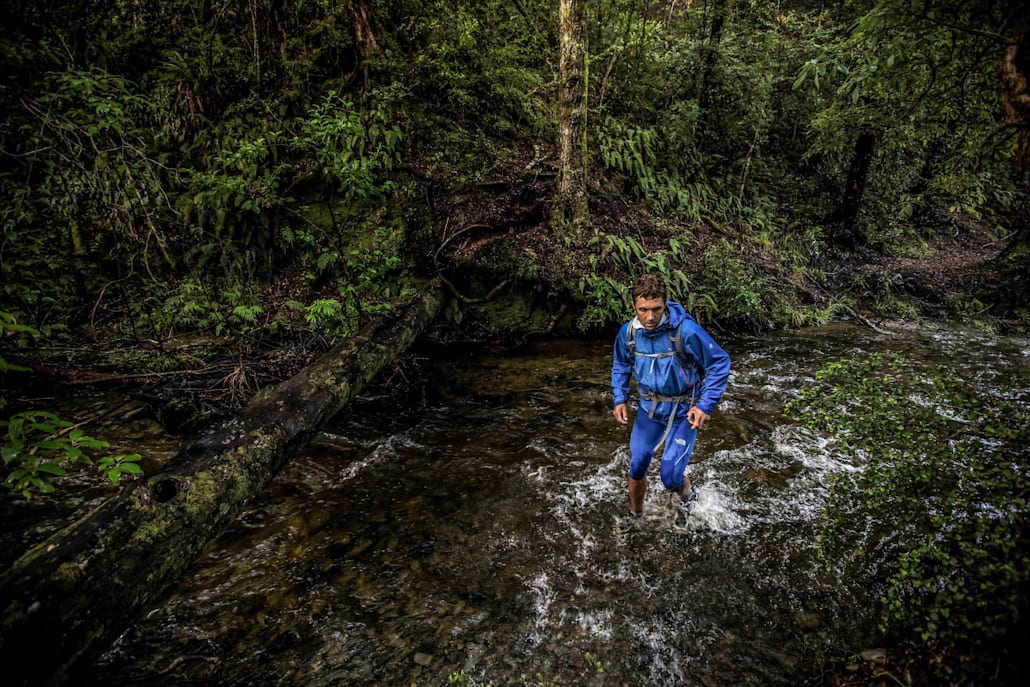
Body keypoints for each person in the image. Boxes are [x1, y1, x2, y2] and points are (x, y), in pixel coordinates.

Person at [611, 274, 731, 519]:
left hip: (684, 410)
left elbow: (719, 362)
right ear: (633, 306)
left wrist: (705, 406)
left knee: (670, 477)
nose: (650, 317)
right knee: (637, 464)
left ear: (664, 303)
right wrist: (619, 398)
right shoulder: (629, 334)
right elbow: (621, 364)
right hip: (649, 411)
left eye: (656, 309)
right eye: (643, 310)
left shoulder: (686, 331)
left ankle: (690, 499)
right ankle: (635, 514)